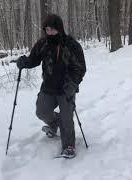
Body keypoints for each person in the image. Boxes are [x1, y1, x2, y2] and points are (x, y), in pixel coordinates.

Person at [16, 14, 86, 158]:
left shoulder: (72, 45)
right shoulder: (43, 44)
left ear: (59, 29)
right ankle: (54, 123)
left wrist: (72, 84)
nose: (49, 32)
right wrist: (25, 62)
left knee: (66, 118)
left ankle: (69, 146)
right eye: (47, 30)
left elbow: (80, 68)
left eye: (52, 30)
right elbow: (33, 59)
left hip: (66, 88)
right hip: (48, 86)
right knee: (41, 111)